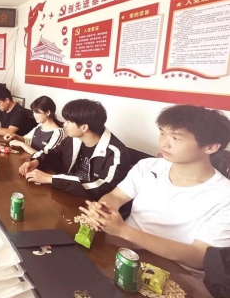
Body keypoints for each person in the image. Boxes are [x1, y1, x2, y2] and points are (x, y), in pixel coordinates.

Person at [81, 105, 230, 275]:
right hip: (122, 251)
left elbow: (200, 257)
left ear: (210, 147)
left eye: (176, 137)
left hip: (173, 272)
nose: (164, 143)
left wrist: (124, 231)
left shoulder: (224, 196)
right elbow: (116, 196)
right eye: (162, 133)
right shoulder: (148, 166)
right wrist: (103, 209)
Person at [19, 99, 131, 202]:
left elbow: (102, 187)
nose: (64, 124)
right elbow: (53, 152)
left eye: (68, 121)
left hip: (93, 205)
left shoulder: (116, 152)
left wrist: (50, 179)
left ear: (84, 127)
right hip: (67, 195)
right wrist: (36, 161)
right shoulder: (73, 139)